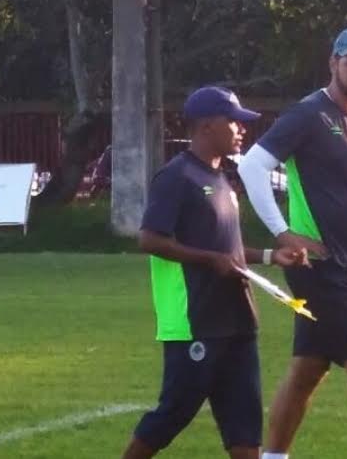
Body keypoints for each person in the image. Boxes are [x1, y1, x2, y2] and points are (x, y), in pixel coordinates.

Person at [238, 27, 347, 459]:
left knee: (309, 369)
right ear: (333, 63)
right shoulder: (309, 114)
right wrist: (281, 231)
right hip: (319, 266)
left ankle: (273, 457)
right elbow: (252, 167)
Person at [121, 86, 306, 459]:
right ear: (207, 126)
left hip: (238, 320)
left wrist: (272, 256)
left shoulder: (223, 179)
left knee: (244, 425)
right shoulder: (176, 177)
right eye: (234, 122)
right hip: (195, 319)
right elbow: (149, 240)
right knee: (174, 413)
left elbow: (230, 253)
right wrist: (209, 260)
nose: (242, 129)